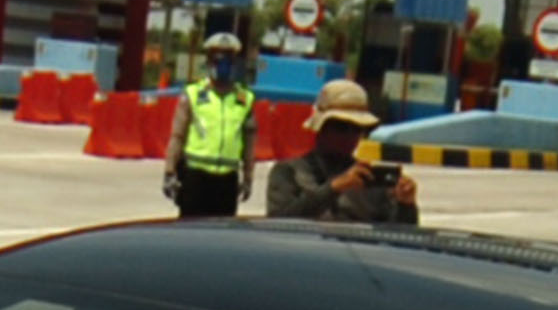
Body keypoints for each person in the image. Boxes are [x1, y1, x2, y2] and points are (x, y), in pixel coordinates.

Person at [263, 80, 418, 225]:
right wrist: (333, 188)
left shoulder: (370, 181)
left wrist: (406, 205)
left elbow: (398, 236)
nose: (349, 137)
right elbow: (279, 222)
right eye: (340, 128)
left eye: (357, 129)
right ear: (321, 129)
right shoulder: (289, 172)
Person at [165, 32, 254, 219]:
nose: (223, 65)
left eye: (228, 60)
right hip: (195, 177)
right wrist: (169, 172)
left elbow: (249, 142)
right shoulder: (193, 94)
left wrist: (248, 177)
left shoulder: (244, 98)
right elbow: (177, 136)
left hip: (227, 181)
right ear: (209, 61)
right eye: (218, 59)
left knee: (222, 238)